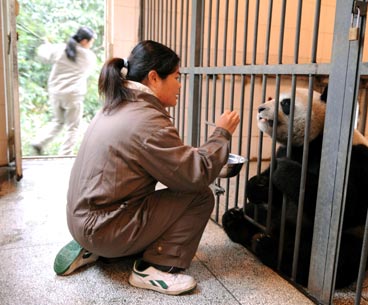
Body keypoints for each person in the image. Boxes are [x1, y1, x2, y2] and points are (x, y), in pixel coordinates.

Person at [53, 40, 240, 296]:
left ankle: (93, 250)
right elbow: (194, 176)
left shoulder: (115, 105)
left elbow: (163, 160)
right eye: (176, 76)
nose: (180, 84)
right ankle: (154, 267)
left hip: (80, 221)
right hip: (102, 229)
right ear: (154, 78)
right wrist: (221, 133)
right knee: (199, 196)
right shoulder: (147, 119)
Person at [32, 26, 97, 155]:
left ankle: (39, 143)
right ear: (84, 41)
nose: (91, 45)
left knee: (58, 121)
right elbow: (88, 72)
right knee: (72, 127)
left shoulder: (61, 48)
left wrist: (47, 46)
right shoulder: (89, 56)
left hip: (55, 93)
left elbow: (43, 55)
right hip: (73, 95)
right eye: (91, 42)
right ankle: (65, 155)